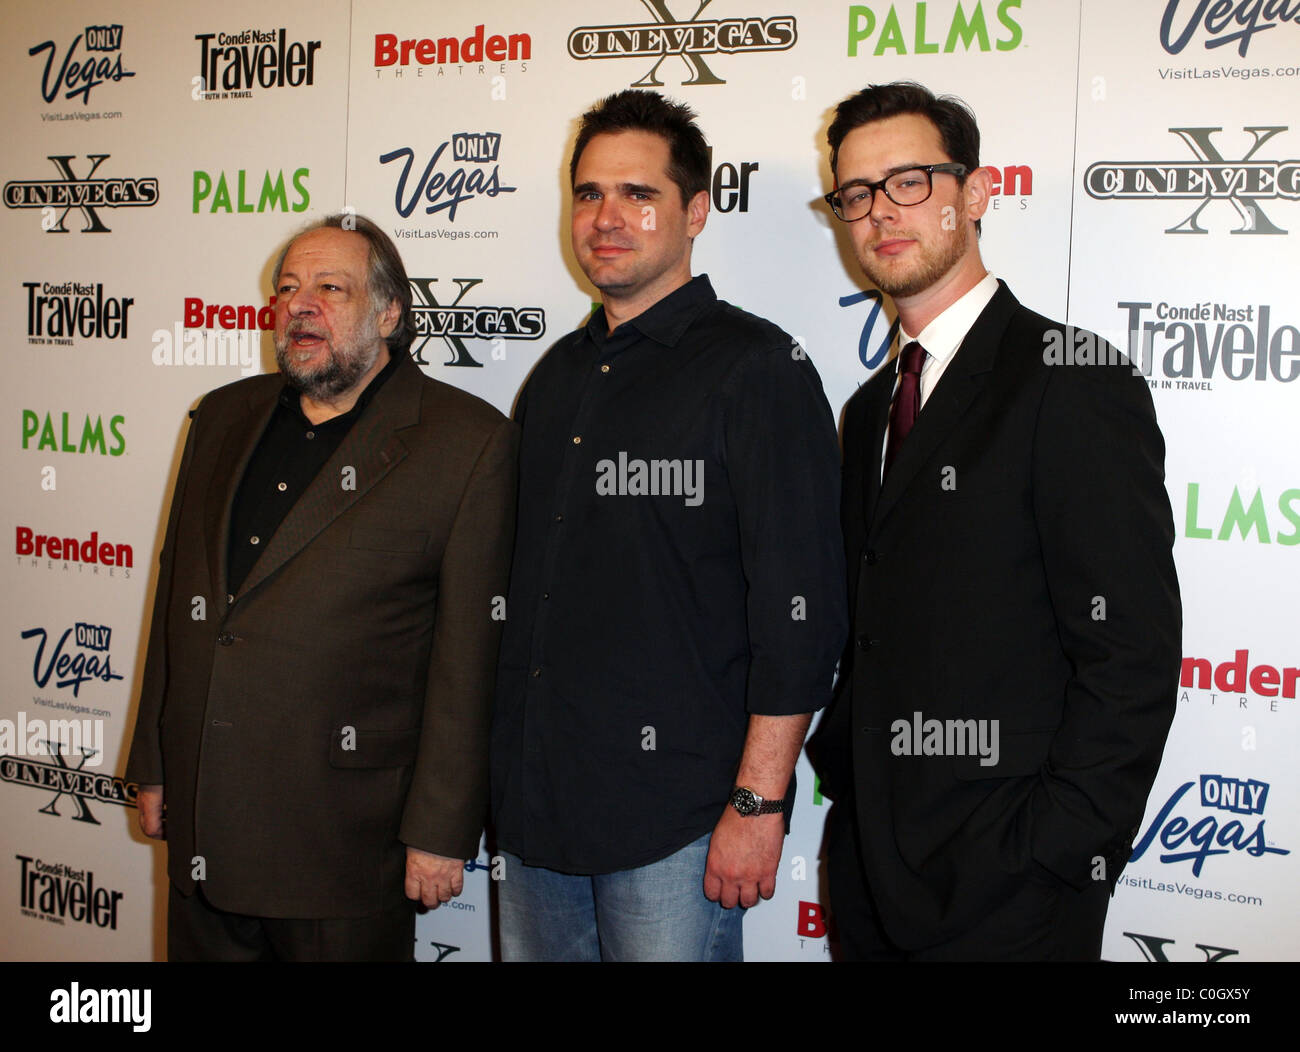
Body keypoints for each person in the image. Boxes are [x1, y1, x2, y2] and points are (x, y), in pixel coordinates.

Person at [807, 81, 1182, 961]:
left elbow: (1130, 655)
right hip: (871, 876)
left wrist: (1054, 853)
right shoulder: (868, 411)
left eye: (908, 181)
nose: (878, 213)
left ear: (974, 195)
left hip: (1013, 892)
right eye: (855, 194)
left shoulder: (1072, 381)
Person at [490, 90, 847, 961]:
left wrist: (759, 806)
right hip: (535, 820)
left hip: (674, 827)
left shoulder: (758, 369)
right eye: (588, 194)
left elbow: (801, 614)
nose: (607, 218)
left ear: (695, 211)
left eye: (637, 195)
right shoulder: (557, 378)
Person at [126, 215, 517, 961]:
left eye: (330, 289)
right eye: (289, 288)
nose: (301, 305)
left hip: (344, 846)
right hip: (205, 828)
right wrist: (155, 761)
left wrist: (438, 832)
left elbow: (469, 663)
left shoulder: (467, 443)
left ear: (389, 313)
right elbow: (179, 602)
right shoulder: (220, 417)